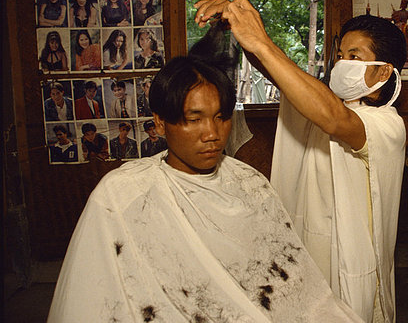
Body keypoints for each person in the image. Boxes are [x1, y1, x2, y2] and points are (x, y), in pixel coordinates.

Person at [48, 55, 361, 322]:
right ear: (158, 124)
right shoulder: (123, 193)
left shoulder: (250, 183)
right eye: (193, 119)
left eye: (221, 117)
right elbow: (93, 298)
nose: (212, 133)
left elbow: (292, 288)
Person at [195, 0, 407, 322]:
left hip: (350, 261)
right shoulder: (323, 104)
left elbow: (334, 121)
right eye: (339, 55)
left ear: (382, 70)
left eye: (354, 56)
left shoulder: (386, 124)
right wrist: (243, 31)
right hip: (308, 247)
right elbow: (282, 77)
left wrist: (262, 42)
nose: (341, 63)